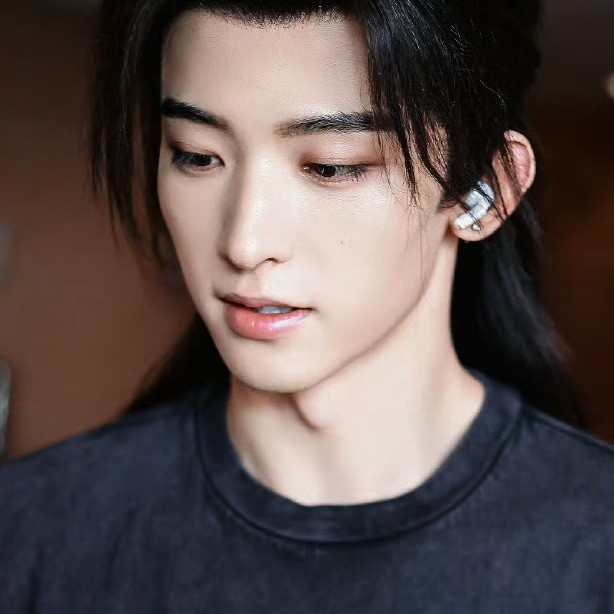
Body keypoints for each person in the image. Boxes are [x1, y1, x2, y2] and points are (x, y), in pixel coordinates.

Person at [1, 0, 613, 611]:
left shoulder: (594, 549)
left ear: (485, 190)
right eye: (196, 154)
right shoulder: (32, 532)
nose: (244, 243)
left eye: (330, 166)